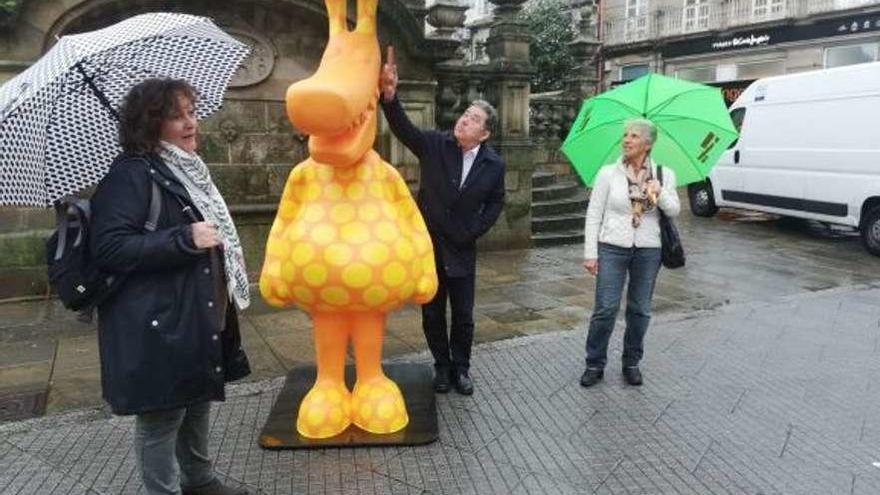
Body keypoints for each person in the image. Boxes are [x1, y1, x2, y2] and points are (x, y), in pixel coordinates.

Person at [90, 78, 251, 495]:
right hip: (159, 319)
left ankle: (199, 480)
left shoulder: (181, 170)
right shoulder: (129, 175)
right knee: (162, 418)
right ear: (150, 124)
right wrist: (183, 238)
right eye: (176, 115)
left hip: (194, 313)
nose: (190, 123)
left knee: (196, 400)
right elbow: (109, 247)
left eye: (191, 113)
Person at [379, 46, 506, 395]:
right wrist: (389, 97)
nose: (465, 119)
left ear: (485, 134)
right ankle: (442, 366)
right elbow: (404, 130)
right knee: (432, 315)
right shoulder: (436, 144)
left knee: (463, 316)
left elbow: (497, 202)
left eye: (475, 119)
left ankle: (462, 368)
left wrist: (475, 231)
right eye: (465, 114)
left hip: (463, 249)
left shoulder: (494, 164)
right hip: (429, 247)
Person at [580, 118, 680, 388]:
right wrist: (591, 252)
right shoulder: (607, 174)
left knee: (640, 309)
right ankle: (594, 362)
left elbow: (674, 211)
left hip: (649, 249)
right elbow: (593, 214)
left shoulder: (664, 173)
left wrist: (659, 192)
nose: (626, 140)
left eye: (634, 136)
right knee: (605, 307)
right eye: (625, 135)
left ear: (647, 144)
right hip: (612, 246)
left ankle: (631, 362)